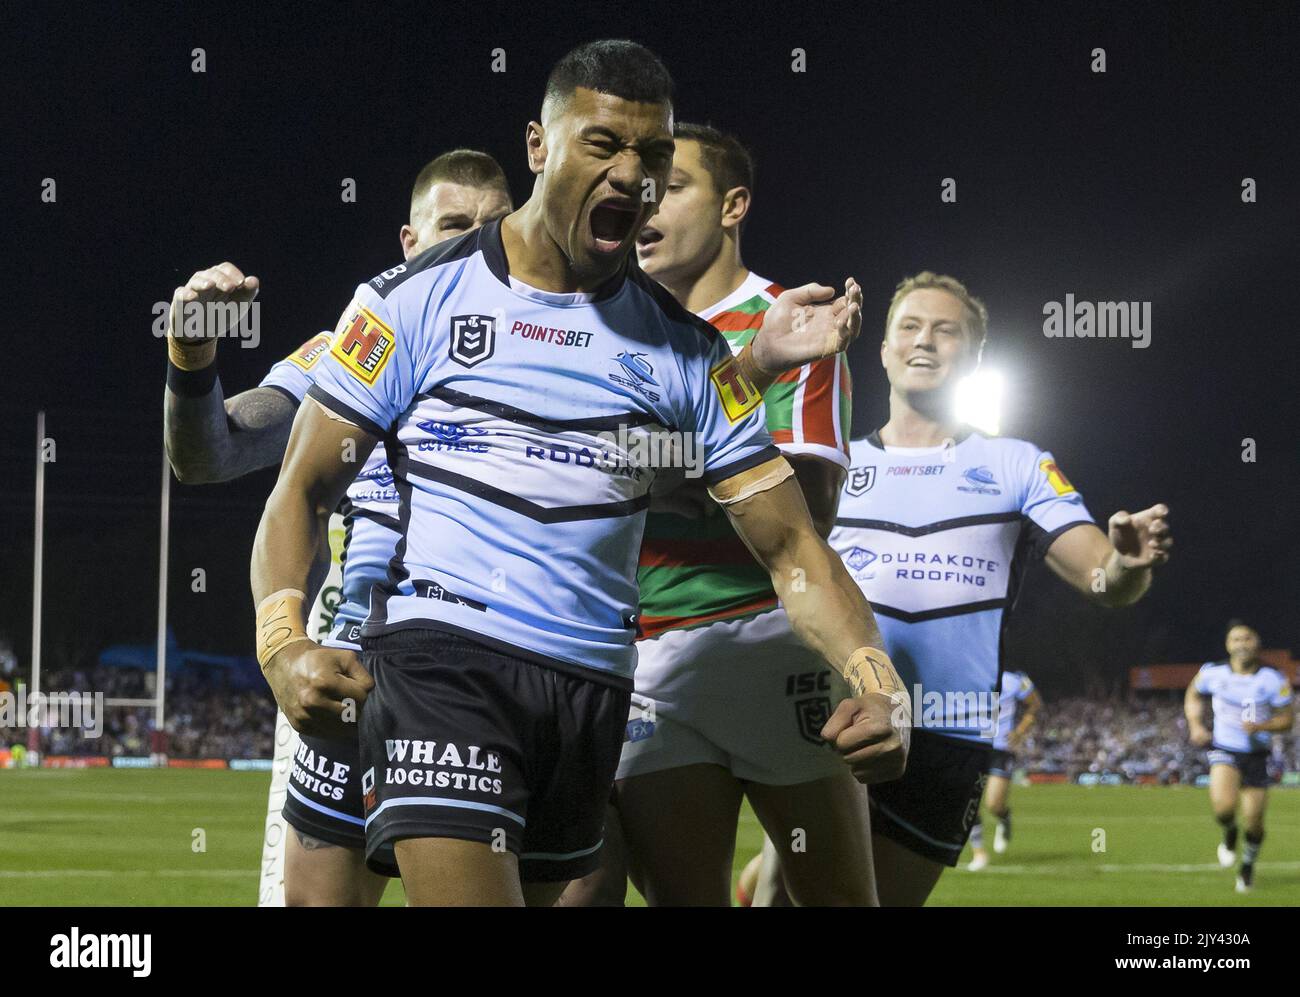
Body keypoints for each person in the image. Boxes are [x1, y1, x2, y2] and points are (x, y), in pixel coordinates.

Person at [249, 39, 909, 907]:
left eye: (655, 158)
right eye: (603, 145)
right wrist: (283, 642)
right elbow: (301, 488)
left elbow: (791, 545)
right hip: (443, 665)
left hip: (591, 688)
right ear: (539, 146)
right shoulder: (414, 298)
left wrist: (875, 675)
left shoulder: (690, 354)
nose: (633, 177)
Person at [750, 271, 1172, 906]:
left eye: (947, 332)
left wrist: (1128, 565)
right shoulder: (832, 464)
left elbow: (1103, 578)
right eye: (910, 328)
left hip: (948, 736)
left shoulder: (1017, 464)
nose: (926, 342)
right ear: (885, 348)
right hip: (838, 717)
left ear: (972, 358)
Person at [164, 150, 514, 905]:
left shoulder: (536, 363)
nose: (475, 243)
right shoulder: (347, 353)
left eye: (493, 228)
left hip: (491, 675)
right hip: (351, 671)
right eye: (454, 226)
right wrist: (192, 359)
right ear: (408, 243)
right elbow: (208, 454)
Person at [564, 122, 870, 907]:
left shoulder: (793, 318)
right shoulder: (606, 329)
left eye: (671, 187)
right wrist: (726, 440)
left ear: (734, 204)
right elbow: (605, 477)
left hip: (774, 646)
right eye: (639, 189)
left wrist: (653, 468)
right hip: (652, 661)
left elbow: (810, 508)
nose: (644, 202)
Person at [1185, 621, 1293, 893]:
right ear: (1228, 645)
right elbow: (1193, 693)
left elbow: (1287, 719)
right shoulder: (1213, 672)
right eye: (1236, 639)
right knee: (1223, 807)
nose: (1242, 644)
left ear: (1257, 643)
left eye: (1247, 638)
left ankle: (1247, 866)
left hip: (1257, 755)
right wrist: (1196, 725)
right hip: (1225, 748)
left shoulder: (1273, 679)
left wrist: (1262, 727)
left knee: (1255, 821)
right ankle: (1230, 832)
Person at [967, 669, 1041, 870]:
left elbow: (1035, 704)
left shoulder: (1014, 680)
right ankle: (979, 853)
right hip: (973, 745)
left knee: (994, 804)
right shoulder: (969, 672)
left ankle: (1004, 817)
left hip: (1001, 749)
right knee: (969, 801)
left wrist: (1020, 731)